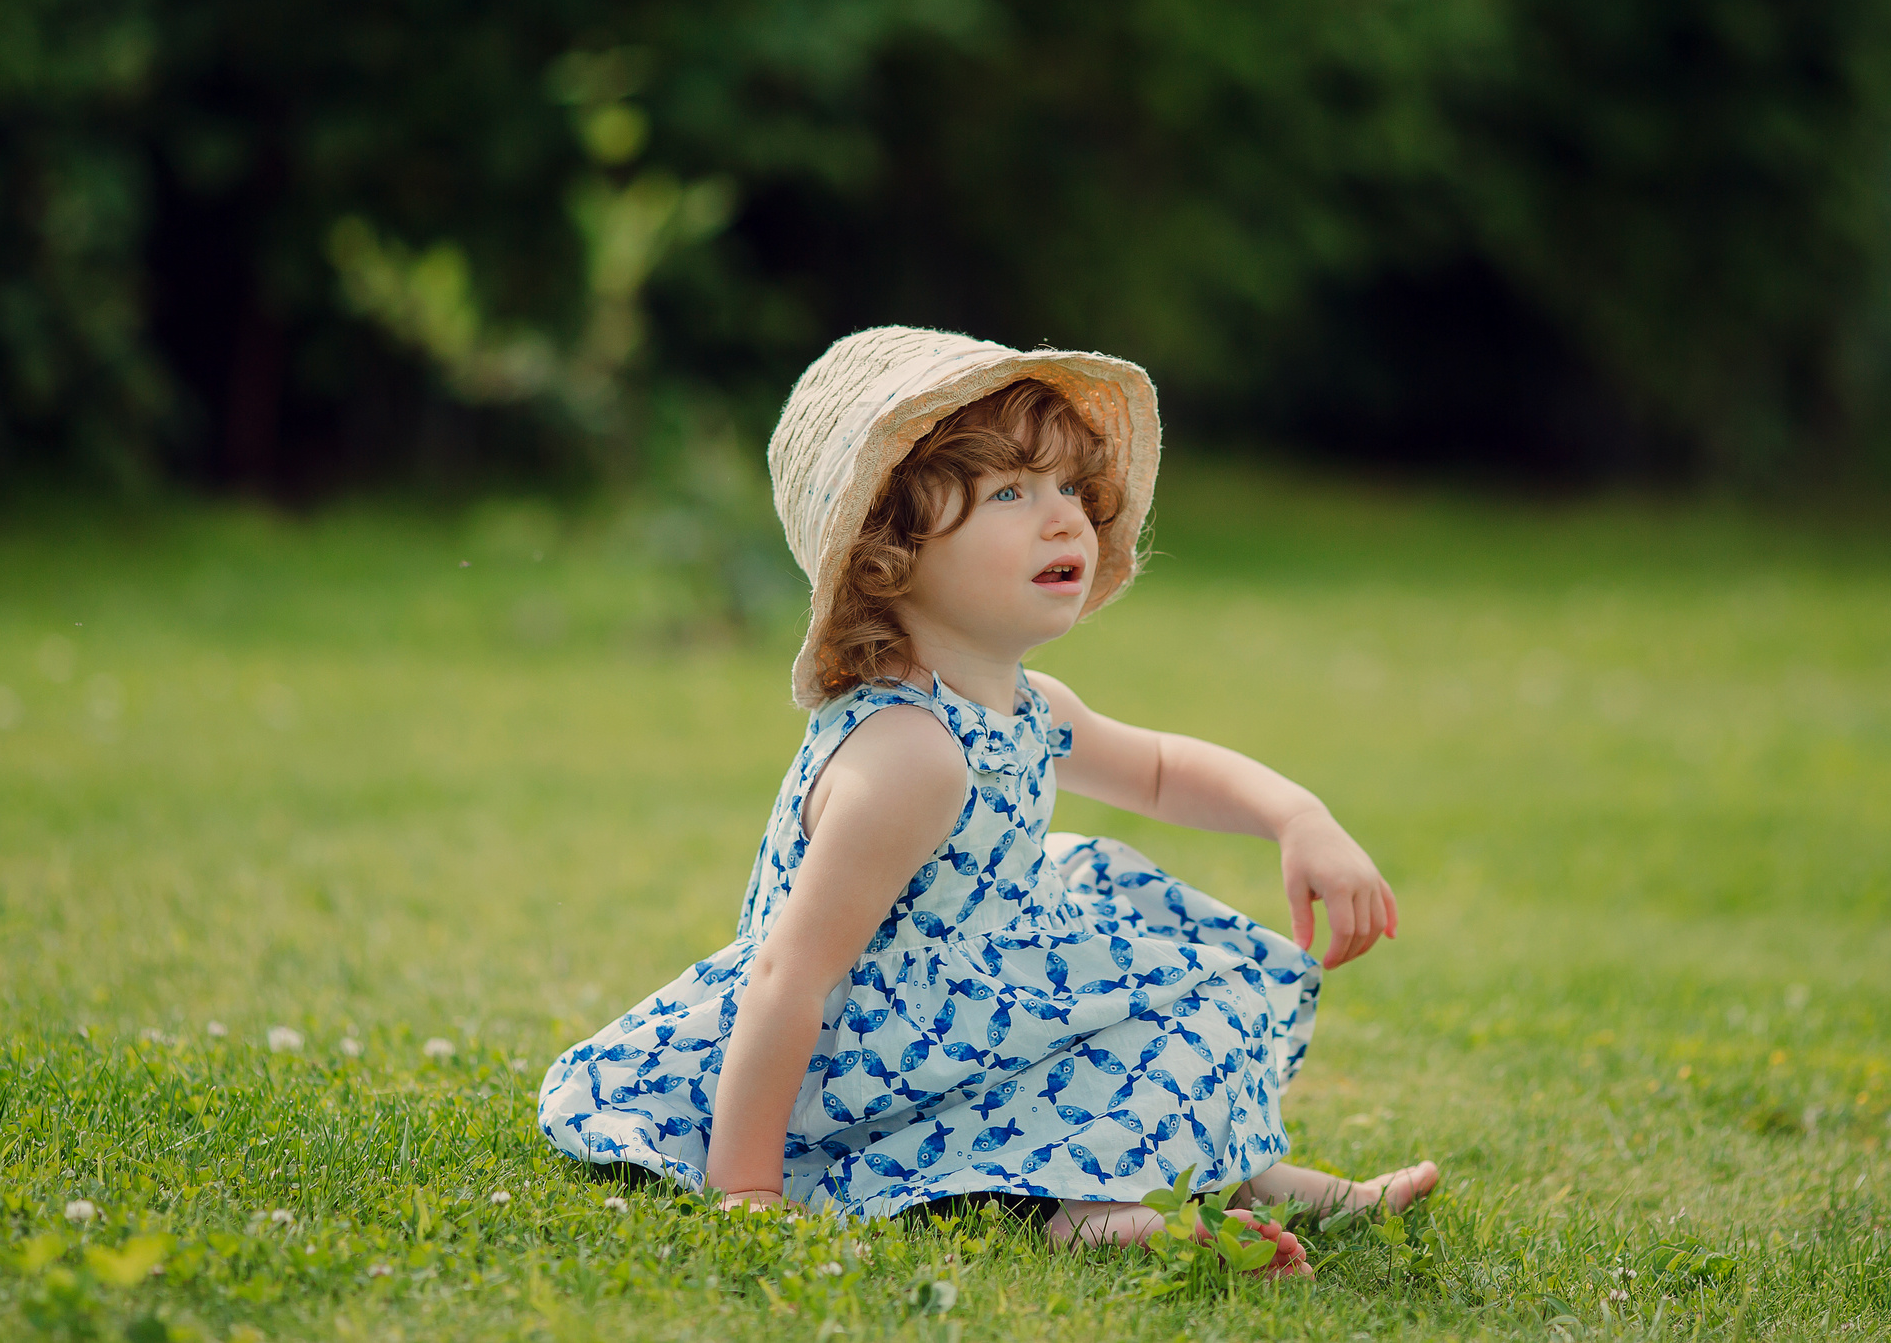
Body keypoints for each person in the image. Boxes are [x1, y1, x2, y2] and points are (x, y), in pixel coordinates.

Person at [537, 327, 1437, 1274]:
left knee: (1154, 947)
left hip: (978, 996)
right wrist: (750, 1190)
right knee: (1157, 992)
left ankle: (1247, 1172)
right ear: (891, 551)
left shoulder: (1027, 708)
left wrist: (1297, 815)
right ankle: (1091, 1209)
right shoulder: (909, 756)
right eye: (1011, 492)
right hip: (878, 1053)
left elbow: (1162, 770)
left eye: (1070, 492)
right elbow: (787, 978)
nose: (1064, 522)